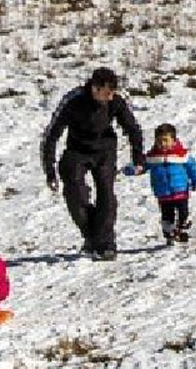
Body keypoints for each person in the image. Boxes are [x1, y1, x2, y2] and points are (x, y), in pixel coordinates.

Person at [40, 66, 146, 262]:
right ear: (95, 88)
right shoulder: (73, 100)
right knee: (75, 193)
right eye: (107, 92)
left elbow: (133, 129)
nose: (110, 96)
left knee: (106, 192)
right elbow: (51, 135)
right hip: (77, 150)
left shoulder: (116, 102)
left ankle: (106, 243)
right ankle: (92, 236)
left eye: (113, 92)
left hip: (105, 149)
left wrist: (138, 158)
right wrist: (50, 171)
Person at [126, 124, 196, 246]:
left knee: (183, 212)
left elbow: (192, 166)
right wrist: (134, 169)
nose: (162, 144)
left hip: (180, 190)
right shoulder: (152, 157)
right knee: (167, 215)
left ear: (173, 140)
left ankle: (182, 230)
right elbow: (142, 166)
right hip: (163, 193)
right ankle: (169, 234)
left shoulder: (181, 155)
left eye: (165, 140)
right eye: (159, 141)